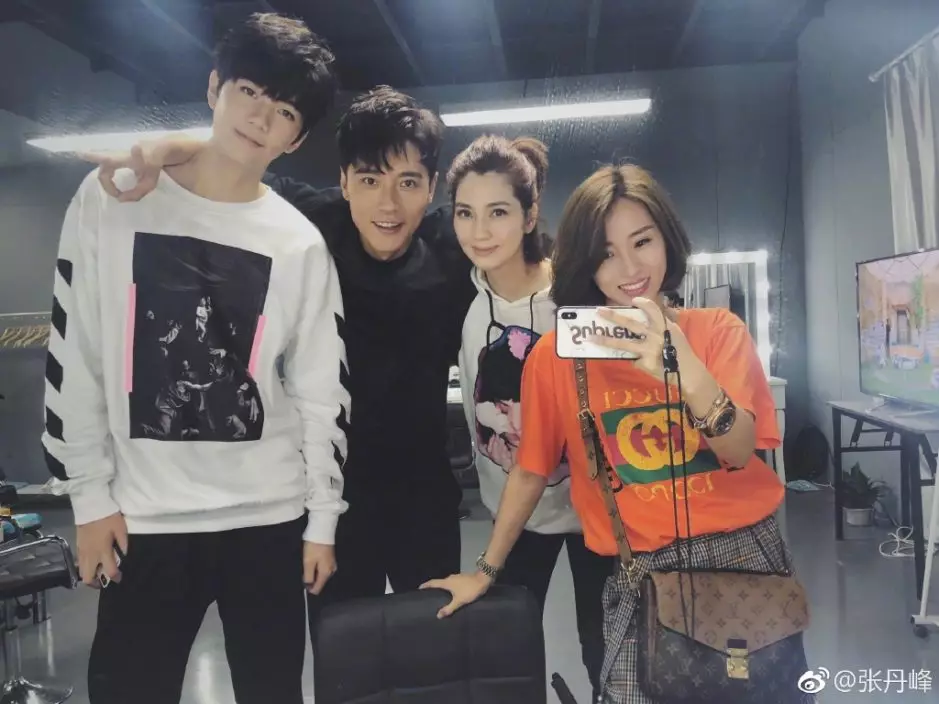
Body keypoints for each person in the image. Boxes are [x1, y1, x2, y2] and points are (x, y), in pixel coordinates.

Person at [81, 86, 476, 639]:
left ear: (431, 188)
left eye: (408, 183)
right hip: (332, 499)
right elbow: (231, 158)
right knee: (343, 652)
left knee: (437, 650)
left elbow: (529, 253)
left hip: (425, 497)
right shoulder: (313, 224)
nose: (388, 204)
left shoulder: (454, 249)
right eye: (369, 180)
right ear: (344, 182)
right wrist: (157, 149)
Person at [41, 14, 348, 704]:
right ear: (214, 88)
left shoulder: (298, 243)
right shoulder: (114, 197)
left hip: (267, 519)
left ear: (296, 138)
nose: (260, 117)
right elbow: (77, 350)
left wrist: (321, 519)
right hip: (144, 520)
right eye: (249, 91)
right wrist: (88, 498)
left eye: (284, 111)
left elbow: (319, 391)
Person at [423, 164, 797, 703]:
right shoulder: (556, 358)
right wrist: (484, 570)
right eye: (605, 253)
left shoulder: (717, 332)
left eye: (642, 241)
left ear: (666, 238)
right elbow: (530, 470)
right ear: (584, 263)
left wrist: (685, 370)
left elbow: (739, 451)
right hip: (639, 575)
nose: (630, 268)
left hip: (743, 562)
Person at [447, 134, 612, 701]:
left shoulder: (577, 295)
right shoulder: (470, 308)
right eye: (465, 213)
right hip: (515, 518)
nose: (480, 231)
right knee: (508, 659)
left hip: (595, 515)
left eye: (498, 212)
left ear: (529, 215)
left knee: (607, 652)